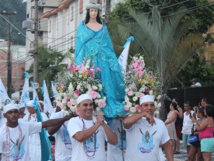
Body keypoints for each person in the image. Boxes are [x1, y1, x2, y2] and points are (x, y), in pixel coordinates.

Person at [74, 1, 125, 118]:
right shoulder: (82, 27)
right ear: (88, 12)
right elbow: (79, 46)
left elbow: (108, 45)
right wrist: (80, 64)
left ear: (98, 12)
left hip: (103, 59)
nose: (93, 13)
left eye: (95, 11)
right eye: (91, 10)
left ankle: (105, 102)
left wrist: (112, 59)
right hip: (89, 60)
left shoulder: (103, 27)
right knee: (91, 80)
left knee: (106, 80)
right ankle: (92, 102)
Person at [0, 103, 73, 161]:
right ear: (5, 115)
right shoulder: (1, 132)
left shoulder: (25, 126)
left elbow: (45, 124)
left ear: (18, 113)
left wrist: (65, 118)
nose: (13, 114)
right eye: (10, 112)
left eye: (15, 112)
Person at [67, 94, 117, 161]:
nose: (89, 107)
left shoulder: (100, 121)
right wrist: (98, 124)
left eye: (91, 105)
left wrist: (103, 124)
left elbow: (114, 141)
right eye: (85, 105)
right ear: (78, 107)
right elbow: (80, 137)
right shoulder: (74, 121)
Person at [123, 95, 173, 161]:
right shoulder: (134, 122)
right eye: (146, 105)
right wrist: (143, 114)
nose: (149, 108)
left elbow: (167, 144)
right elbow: (126, 122)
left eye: (152, 105)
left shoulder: (160, 123)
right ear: (140, 107)